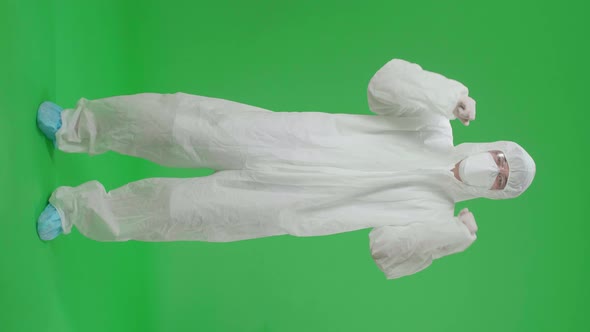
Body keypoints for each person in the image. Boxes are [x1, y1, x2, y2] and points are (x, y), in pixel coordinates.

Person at [36, 58, 536, 279]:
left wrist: (450, 238)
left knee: (181, 210)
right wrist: (448, 96)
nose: (488, 171)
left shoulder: (436, 212)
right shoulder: (433, 127)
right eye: (496, 160)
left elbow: (385, 249)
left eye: (497, 180)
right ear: (490, 146)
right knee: (183, 122)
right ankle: (76, 126)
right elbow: (384, 86)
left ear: (491, 193)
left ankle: (78, 212)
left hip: (285, 206)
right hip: (286, 138)